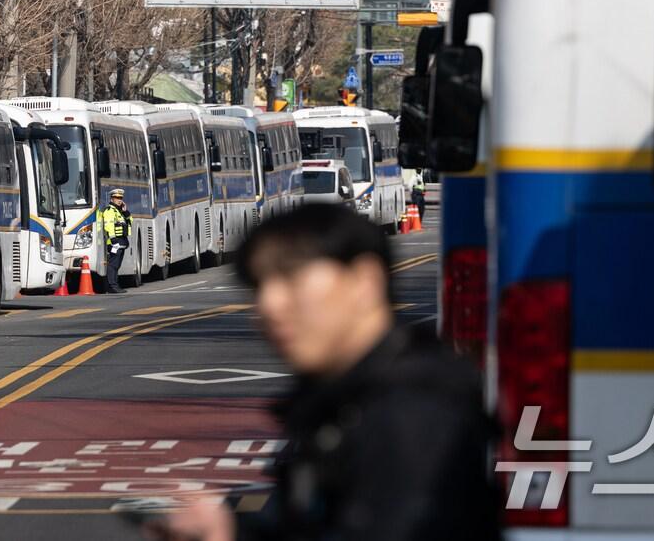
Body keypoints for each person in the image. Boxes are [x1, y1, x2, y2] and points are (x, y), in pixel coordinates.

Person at [148, 203, 500, 541]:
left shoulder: (411, 412)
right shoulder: (347, 398)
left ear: (365, 281)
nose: (268, 306)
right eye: (259, 287)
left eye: (291, 278)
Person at [99, 188, 131, 294]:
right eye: (117, 198)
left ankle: (115, 285)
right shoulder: (109, 211)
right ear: (112, 198)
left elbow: (130, 221)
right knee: (113, 264)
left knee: (117, 265)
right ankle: (112, 286)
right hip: (115, 242)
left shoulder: (120, 211)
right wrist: (113, 241)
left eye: (121, 198)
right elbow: (109, 226)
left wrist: (125, 211)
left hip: (121, 241)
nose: (119, 200)